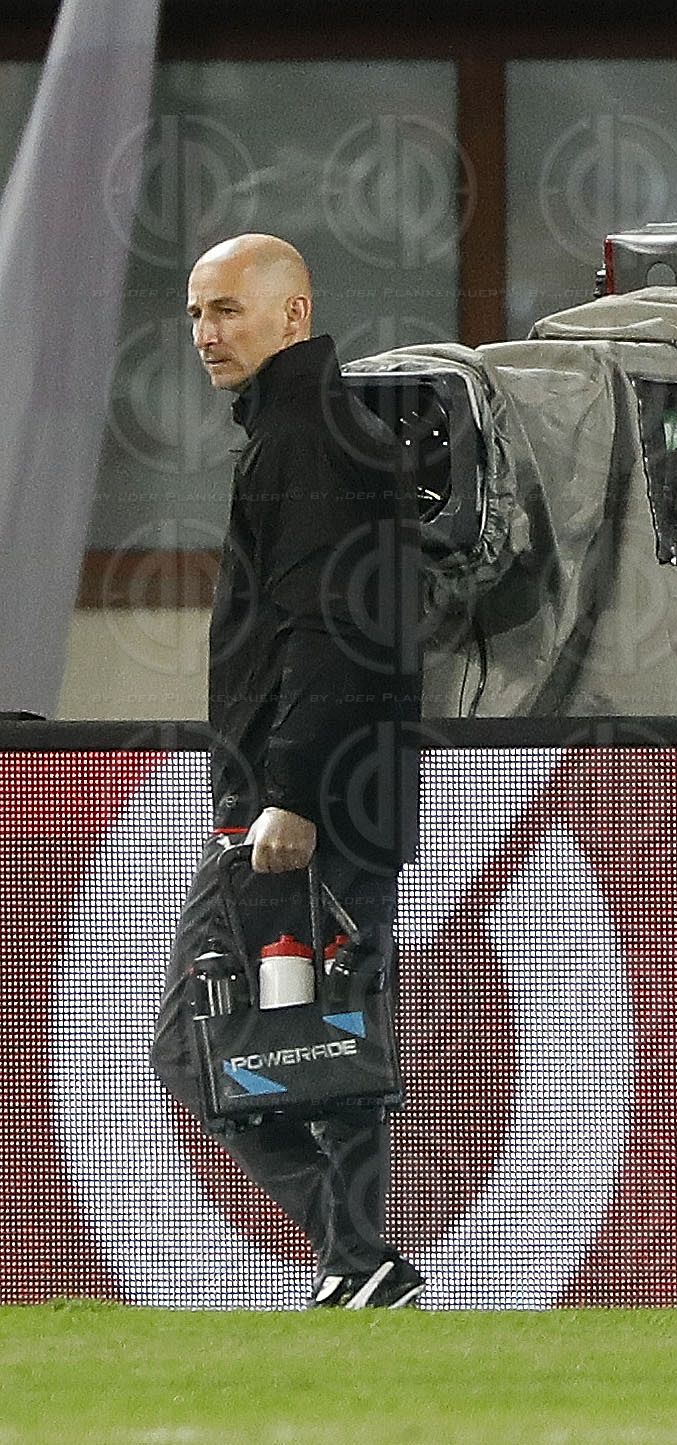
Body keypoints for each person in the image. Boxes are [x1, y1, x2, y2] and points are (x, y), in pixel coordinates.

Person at [150, 234, 423, 1309]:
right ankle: (359, 1261)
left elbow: (327, 632)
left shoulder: (300, 436)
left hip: (301, 800)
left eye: (228, 310)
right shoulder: (323, 427)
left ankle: (356, 1254)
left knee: (191, 1040)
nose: (207, 333)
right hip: (349, 795)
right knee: (333, 1029)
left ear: (293, 314)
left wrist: (291, 794)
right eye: (195, 313)